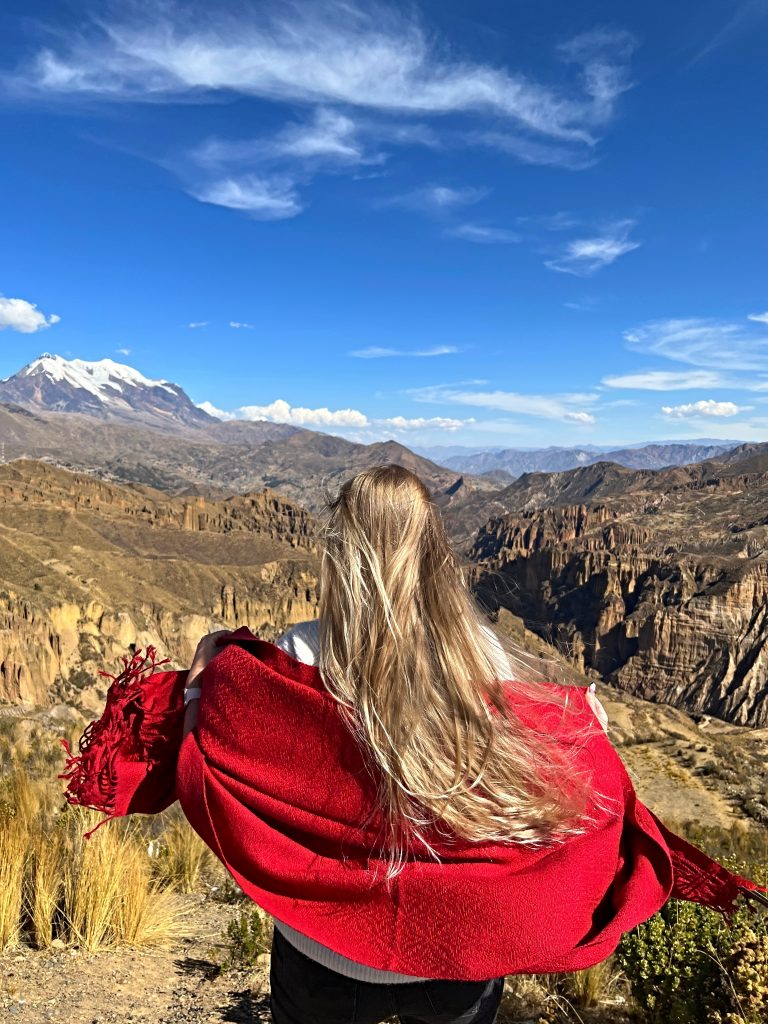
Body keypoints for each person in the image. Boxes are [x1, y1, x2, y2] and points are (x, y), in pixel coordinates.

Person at [182, 465, 614, 1024]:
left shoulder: (302, 651)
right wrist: (582, 727)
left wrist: (201, 683)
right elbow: (520, 757)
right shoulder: (479, 652)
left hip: (324, 947)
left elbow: (220, 753)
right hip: (454, 949)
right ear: (429, 546)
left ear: (344, 551)